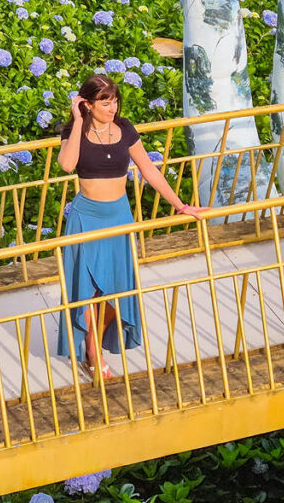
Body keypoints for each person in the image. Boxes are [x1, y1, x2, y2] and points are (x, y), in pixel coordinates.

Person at [56, 73, 206, 380]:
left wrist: (180, 205)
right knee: (86, 290)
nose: (112, 108)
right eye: (104, 102)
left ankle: (94, 342)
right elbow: (67, 165)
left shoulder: (124, 129)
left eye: (114, 101)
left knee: (115, 289)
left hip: (119, 217)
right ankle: (92, 352)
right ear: (87, 103)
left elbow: (149, 170)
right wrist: (76, 120)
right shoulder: (76, 131)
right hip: (86, 218)